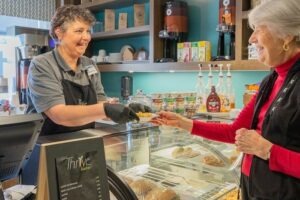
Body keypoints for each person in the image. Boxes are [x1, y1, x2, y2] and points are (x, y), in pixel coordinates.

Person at [152, 0, 300, 199]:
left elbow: (263, 147)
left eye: (258, 29)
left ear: (287, 36)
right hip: (253, 187)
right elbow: (233, 131)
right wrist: (183, 123)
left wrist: (267, 150)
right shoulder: (270, 80)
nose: (251, 39)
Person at [26, 5, 146, 135]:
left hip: (83, 142)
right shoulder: (42, 64)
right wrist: (106, 109)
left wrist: (126, 110)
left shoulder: (89, 65)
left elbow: (101, 105)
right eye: (79, 31)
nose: (86, 37)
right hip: (46, 145)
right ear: (59, 32)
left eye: (88, 31)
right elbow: (59, 115)